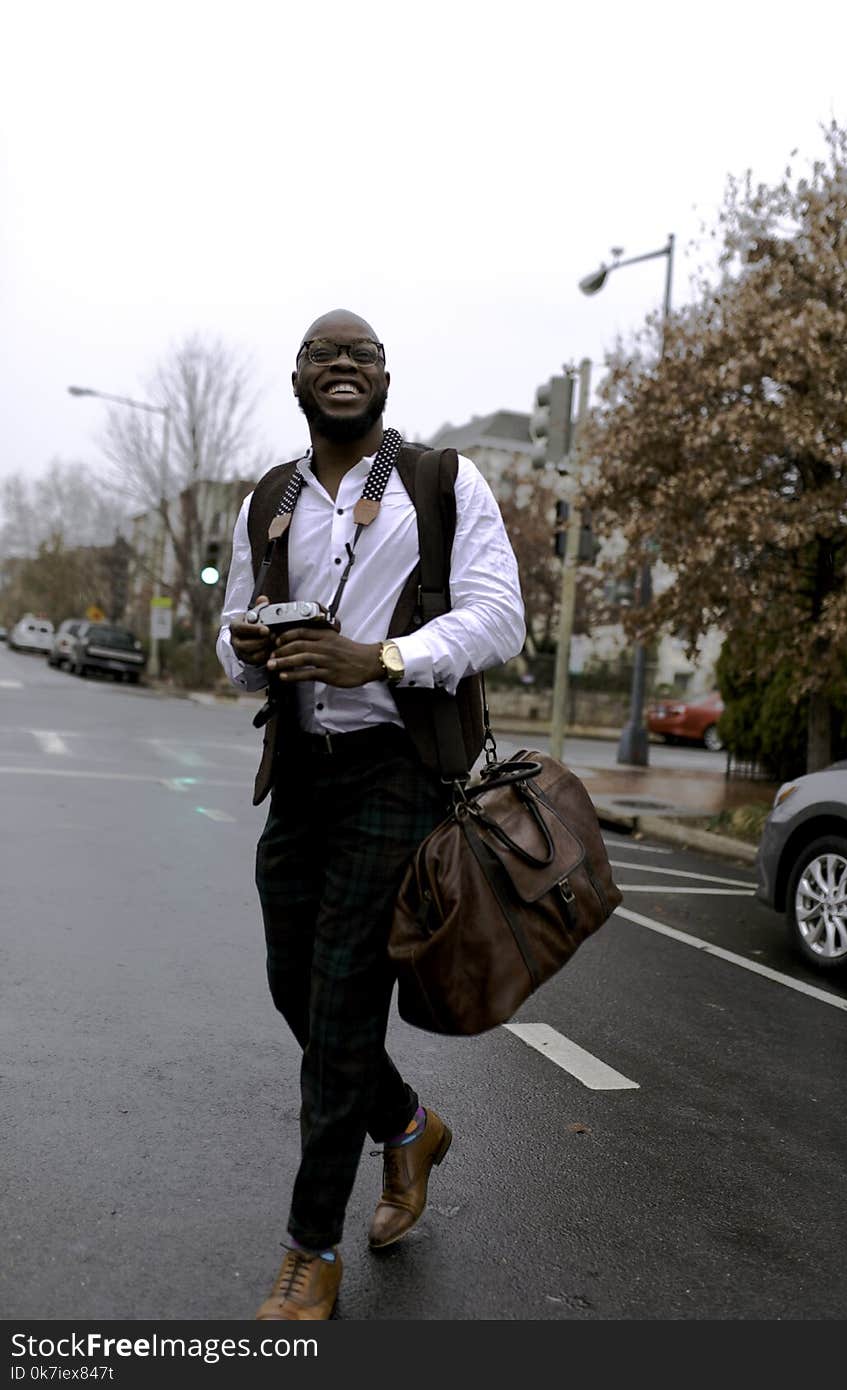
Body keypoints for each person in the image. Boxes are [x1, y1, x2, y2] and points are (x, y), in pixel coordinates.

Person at [216, 308, 525, 1320]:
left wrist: (381, 657)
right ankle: (406, 1126)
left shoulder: (442, 482)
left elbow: (497, 616)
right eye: (322, 354)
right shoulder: (269, 498)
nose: (341, 365)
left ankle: (312, 1255)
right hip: (301, 769)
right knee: (291, 985)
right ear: (298, 378)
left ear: (384, 378)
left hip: (398, 768)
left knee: (343, 999)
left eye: (361, 355)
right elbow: (228, 647)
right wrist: (251, 646)